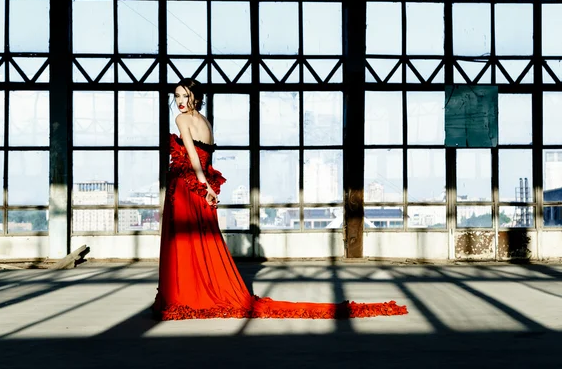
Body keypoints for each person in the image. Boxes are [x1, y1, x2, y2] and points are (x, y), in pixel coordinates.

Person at [151, 78, 408, 320]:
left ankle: (186, 296)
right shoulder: (206, 122)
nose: (180, 101)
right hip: (200, 186)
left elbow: (194, 158)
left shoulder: (181, 119)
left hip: (188, 187)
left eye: (185, 95)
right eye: (176, 96)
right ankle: (197, 292)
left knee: (183, 241)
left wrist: (203, 186)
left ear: (196, 96)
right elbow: (206, 157)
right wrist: (208, 187)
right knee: (200, 241)